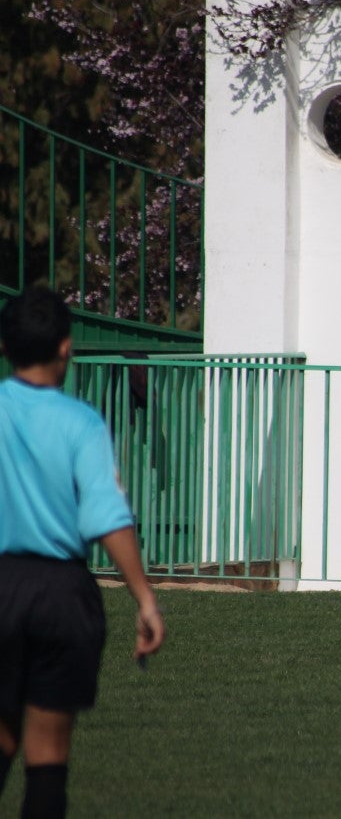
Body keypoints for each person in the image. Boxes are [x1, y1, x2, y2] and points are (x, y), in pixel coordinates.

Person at [0, 285, 165, 817]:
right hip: (61, 595)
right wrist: (144, 597)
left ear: (5, 348)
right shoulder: (81, 423)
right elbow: (106, 515)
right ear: (66, 348)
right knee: (47, 753)